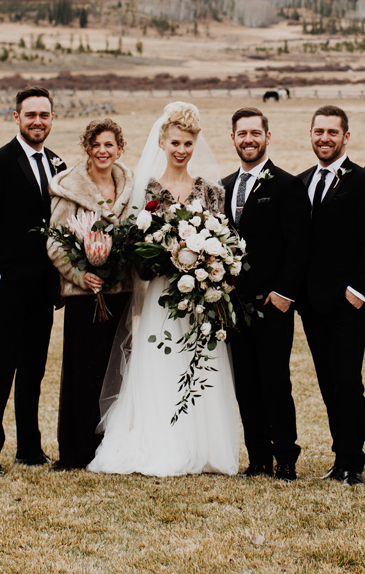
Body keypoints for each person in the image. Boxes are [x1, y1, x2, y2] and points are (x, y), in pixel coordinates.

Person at [88, 102, 241, 476]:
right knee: (160, 360)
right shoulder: (148, 191)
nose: (181, 150)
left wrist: (209, 267)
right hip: (161, 293)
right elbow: (136, 250)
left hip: (200, 295)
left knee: (200, 361)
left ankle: (204, 447)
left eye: (188, 143)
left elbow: (225, 239)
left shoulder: (210, 191)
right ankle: (160, 442)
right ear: (162, 141)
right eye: (175, 142)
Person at [0, 86, 66, 475]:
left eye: (44, 115)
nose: (38, 121)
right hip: (5, 286)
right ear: (16, 117)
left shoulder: (58, 163)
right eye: (31, 115)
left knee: (34, 370)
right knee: (0, 370)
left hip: (43, 289)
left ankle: (29, 448)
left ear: (52, 119)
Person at [296, 105, 365, 486]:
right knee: (327, 381)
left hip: (348, 303)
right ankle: (339, 455)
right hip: (312, 304)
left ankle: (353, 461)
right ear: (311, 135)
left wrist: (357, 291)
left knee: (348, 382)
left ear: (345, 137)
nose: (324, 138)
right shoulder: (301, 182)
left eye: (332, 132)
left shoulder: (364, 181)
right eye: (319, 131)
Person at [221, 107, 310, 481]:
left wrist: (285, 293)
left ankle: (285, 459)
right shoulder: (222, 186)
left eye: (255, 133)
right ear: (233, 139)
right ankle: (257, 458)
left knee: (275, 382)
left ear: (267, 137)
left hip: (273, 304)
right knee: (246, 384)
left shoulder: (287, 185)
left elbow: (300, 246)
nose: (249, 140)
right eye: (242, 134)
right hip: (233, 306)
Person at [46, 118, 135, 470]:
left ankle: (107, 447)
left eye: (109, 145)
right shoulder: (71, 188)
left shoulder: (129, 187)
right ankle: (75, 451)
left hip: (121, 291)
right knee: (81, 372)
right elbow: (55, 240)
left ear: (119, 149)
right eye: (96, 144)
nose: (102, 151)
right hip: (86, 296)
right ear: (87, 147)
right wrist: (79, 274)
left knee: (115, 371)